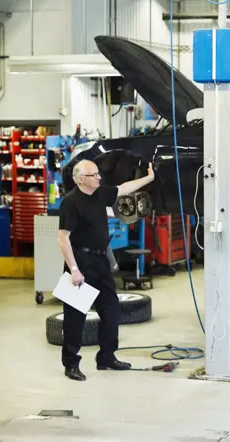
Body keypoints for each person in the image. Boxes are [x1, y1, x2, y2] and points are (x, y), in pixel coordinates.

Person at [57, 159, 155, 381]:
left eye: (98, 174)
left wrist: (148, 179)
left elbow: (123, 188)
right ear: (81, 179)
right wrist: (73, 269)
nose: (99, 178)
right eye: (94, 175)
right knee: (75, 318)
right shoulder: (70, 203)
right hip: (80, 262)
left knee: (111, 311)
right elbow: (63, 238)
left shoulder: (100, 194)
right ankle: (71, 364)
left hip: (101, 262)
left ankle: (106, 357)